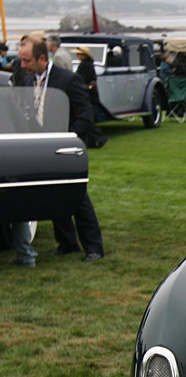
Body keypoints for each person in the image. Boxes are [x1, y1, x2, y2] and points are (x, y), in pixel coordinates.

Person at [15, 36, 105, 261]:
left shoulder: (67, 80)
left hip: (65, 147)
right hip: (41, 147)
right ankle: (67, 242)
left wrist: (70, 140)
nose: (22, 65)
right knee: (51, 194)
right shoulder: (29, 81)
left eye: (26, 61)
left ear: (42, 58)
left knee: (78, 197)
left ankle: (93, 247)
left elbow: (85, 114)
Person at [72, 47, 108, 149]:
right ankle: (92, 141)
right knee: (89, 119)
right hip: (90, 95)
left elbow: (83, 79)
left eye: (79, 54)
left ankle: (100, 138)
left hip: (89, 96)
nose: (77, 56)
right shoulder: (86, 65)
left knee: (90, 121)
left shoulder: (86, 66)